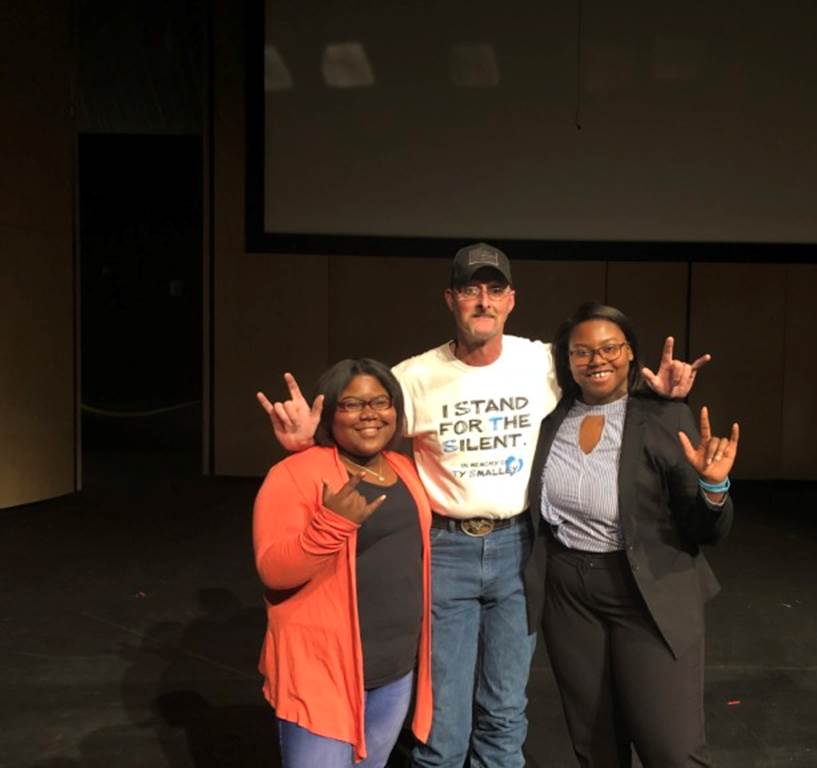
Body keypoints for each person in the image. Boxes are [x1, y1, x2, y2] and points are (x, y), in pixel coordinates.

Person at [256, 243, 709, 768]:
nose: (483, 302)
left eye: (494, 290)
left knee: (504, 710)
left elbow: (603, 375)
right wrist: (310, 446)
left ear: (511, 300)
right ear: (451, 299)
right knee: (442, 721)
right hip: (447, 551)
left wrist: (658, 394)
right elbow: (365, 431)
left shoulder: (542, 361)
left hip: (521, 548)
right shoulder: (413, 377)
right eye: (470, 290)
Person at [523, 303, 737, 767]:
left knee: (671, 748)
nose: (596, 359)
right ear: (568, 361)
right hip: (568, 594)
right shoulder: (549, 420)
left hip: (646, 589)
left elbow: (704, 530)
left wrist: (713, 487)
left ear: (630, 354)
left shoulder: (662, 418)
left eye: (609, 348)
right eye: (582, 352)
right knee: (595, 743)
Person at [253, 359, 434, 768]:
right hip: (323, 671)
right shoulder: (293, 475)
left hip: (394, 669)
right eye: (352, 404)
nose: (369, 413)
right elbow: (274, 571)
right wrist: (331, 526)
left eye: (380, 402)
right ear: (330, 413)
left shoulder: (405, 469)